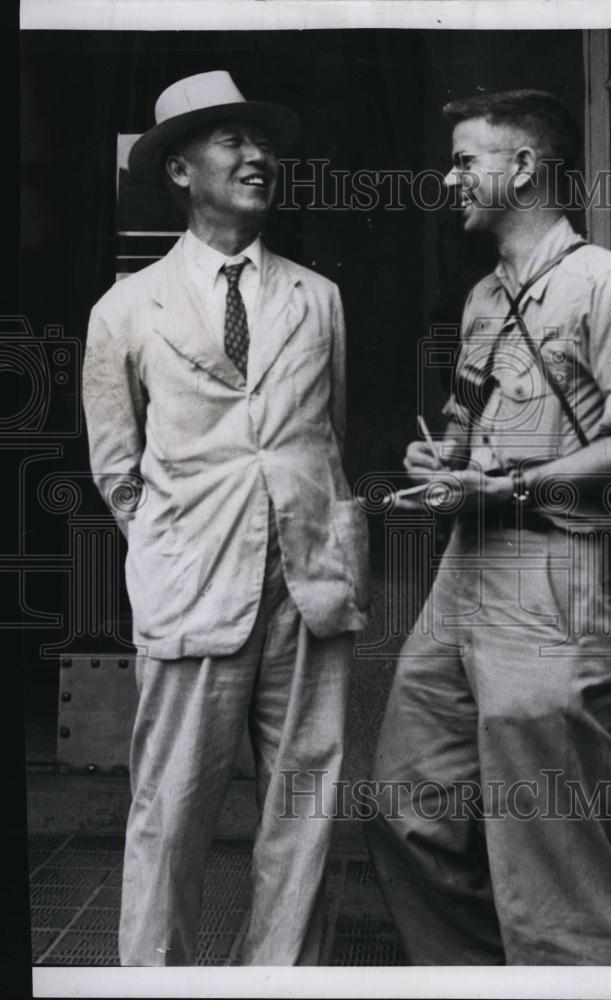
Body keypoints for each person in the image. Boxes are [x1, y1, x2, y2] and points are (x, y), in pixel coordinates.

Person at [365, 89, 611, 965]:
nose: (450, 178)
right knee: (407, 807)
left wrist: (509, 482)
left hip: (555, 579)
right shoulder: (482, 300)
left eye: (467, 160)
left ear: (525, 168)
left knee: (544, 857)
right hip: (464, 575)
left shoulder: (607, 285)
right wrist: (441, 465)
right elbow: (468, 433)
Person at [82, 70, 369, 966]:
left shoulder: (316, 296)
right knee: (170, 810)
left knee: (306, 811)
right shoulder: (126, 308)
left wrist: (299, 531)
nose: (258, 157)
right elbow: (116, 468)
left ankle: (280, 981)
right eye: (233, 142)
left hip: (308, 585)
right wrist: (175, 546)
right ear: (179, 170)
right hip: (192, 587)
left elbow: (327, 436)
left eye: (263, 143)